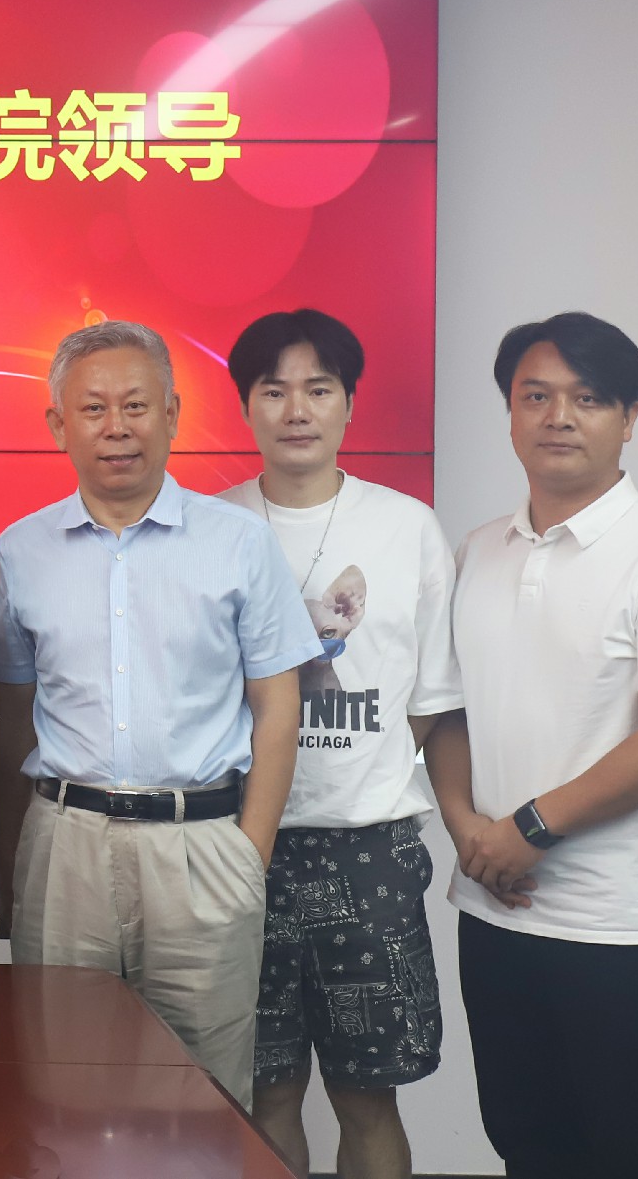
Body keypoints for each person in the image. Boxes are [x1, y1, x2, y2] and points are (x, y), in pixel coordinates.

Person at [424, 312, 638, 1179]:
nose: (558, 415)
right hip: (495, 908)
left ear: (629, 418)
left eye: (588, 398)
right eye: (536, 396)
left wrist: (527, 827)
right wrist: (467, 828)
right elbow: (447, 713)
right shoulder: (479, 550)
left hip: (616, 924)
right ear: (511, 414)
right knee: (525, 1140)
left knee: (629, 1152)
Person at [0, 319, 320, 1104]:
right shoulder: (21, 549)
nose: (117, 427)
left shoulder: (239, 542)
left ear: (171, 414)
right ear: (58, 424)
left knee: (202, 1098)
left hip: (202, 846)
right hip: (64, 845)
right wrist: (8, 864)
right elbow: (12, 718)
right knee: (60, 1086)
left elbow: (279, 706)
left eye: (136, 405)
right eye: (93, 408)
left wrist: (247, 856)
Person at [216, 309, 459, 1178]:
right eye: (273, 390)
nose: (296, 410)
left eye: (318, 389)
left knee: (368, 1097)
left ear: (350, 403)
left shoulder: (408, 526)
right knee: (260, 1090)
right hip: (237, 846)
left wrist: (362, 765)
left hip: (369, 851)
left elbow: (430, 700)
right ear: (245, 404)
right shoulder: (211, 527)